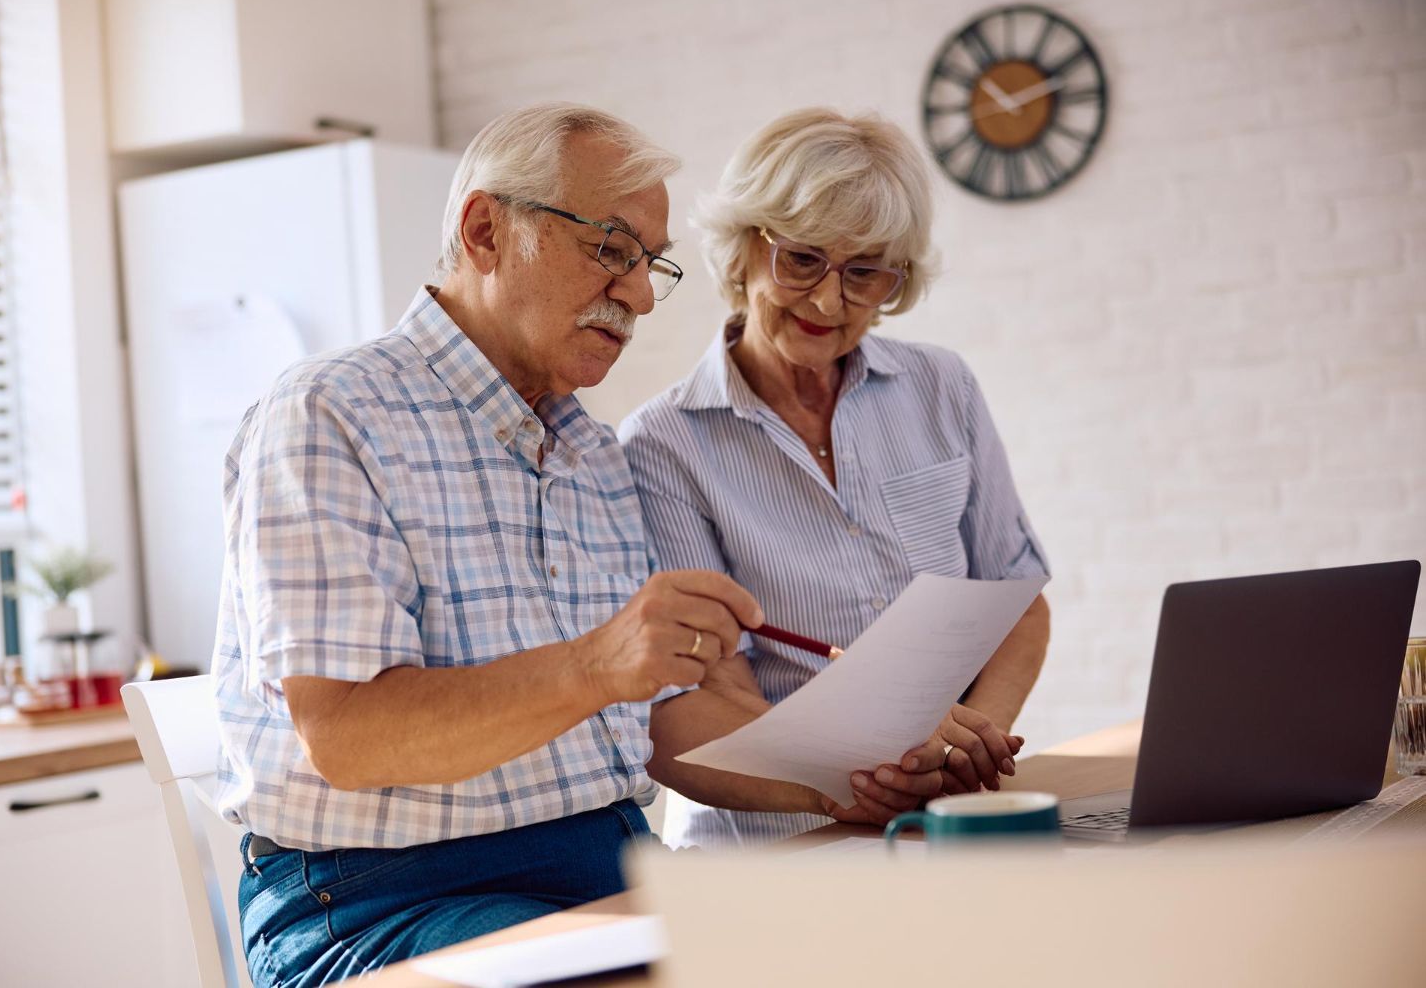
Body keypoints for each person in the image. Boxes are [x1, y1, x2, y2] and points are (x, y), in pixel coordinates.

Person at [211, 103, 887, 988]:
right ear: (485, 232)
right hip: (383, 898)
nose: (640, 295)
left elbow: (666, 725)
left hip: (603, 869)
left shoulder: (594, 454)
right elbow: (347, 736)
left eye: (650, 263)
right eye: (611, 248)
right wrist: (599, 664)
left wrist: (858, 776)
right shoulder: (330, 412)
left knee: (872, 945)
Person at [620, 108, 1052, 848]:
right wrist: (862, 777)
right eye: (802, 260)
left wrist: (963, 753)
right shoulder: (664, 445)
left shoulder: (942, 388)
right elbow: (709, 690)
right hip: (775, 842)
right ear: (745, 247)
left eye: (865, 273)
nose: (828, 301)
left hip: (938, 818)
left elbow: (1017, 602)